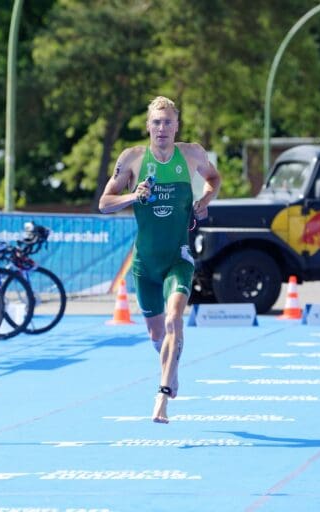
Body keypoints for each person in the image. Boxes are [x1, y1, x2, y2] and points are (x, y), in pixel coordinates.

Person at [98, 96, 221, 424]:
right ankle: (173, 367)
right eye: (156, 122)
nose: (162, 128)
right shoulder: (133, 159)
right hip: (145, 266)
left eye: (168, 122)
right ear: (148, 126)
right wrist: (132, 195)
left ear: (176, 125)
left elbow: (214, 178)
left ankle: (162, 395)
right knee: (157, 335)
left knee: (173, 321)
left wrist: (205, 200)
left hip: (177, 259)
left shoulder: (192, 154)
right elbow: (104, 202)